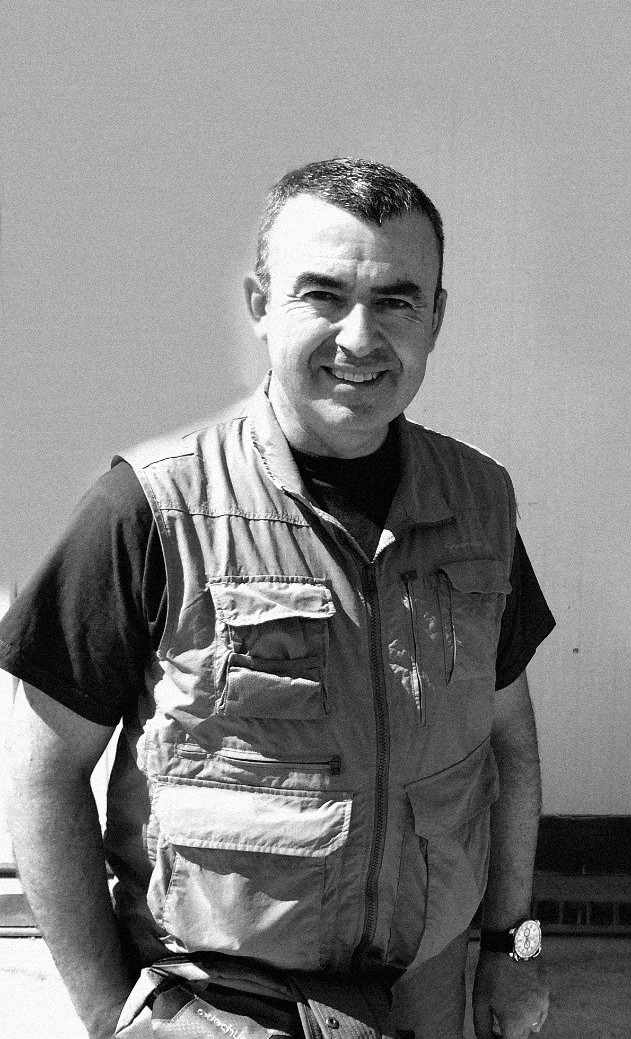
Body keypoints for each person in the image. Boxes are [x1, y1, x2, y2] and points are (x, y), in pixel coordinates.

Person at [0, 158, 553, 1039]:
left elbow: (510, 746)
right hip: (224, 1007)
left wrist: (511, 949)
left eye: (397, 300)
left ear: (436, 318)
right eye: (323, 295)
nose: (360, 337)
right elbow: (42, 770)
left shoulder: (479, 506)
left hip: (423, 995)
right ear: (261, 303)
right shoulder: (148, 508)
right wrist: (111, 1016)